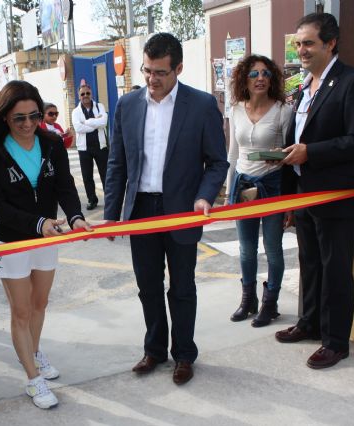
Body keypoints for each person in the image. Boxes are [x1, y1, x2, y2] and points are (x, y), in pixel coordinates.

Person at [104, 33, 228, 385]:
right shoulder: (127, 106)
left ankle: (184, 354)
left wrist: (205, 196)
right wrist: (112, 214)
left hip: (183, 210)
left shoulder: (201, 105)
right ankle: (154, 350)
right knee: (148, 285)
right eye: (147, 70)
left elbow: (217, 162)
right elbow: (117, 164)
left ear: (179, 69)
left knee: (183, 286)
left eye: (160, 72)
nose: (151, 79)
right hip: (141, 209)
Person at [0, 80, 91, 409]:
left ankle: (34, 352)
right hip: (11, 239)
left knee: (39, 304)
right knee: (21, 311)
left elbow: (66, 186)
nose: (28, 125)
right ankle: (32, 378)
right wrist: (37, 223)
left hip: (46, 235)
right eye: (19, 119)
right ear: (4, 118)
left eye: (34, 116)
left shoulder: (52, 142)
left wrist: (76, 217)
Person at [275, 13, 354, 369]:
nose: (301, 50)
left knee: (336, 268)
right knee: (311, 264)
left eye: (308, 43)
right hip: (304, 191)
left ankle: (335, 342)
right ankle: (310, 323)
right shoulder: (303, 86)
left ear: (331, 43)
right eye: (298, 44)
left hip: (337, 195)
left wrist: (311, 152)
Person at [224, 55, 292, 327]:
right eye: (254, 74)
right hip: (244, 184)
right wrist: (229, 192)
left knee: (273, 248)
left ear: (272, 79)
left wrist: (282, 157)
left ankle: (270, 303)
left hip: (273, 184)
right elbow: (232, 153)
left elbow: (291, 155)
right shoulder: (236, 109)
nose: (261, 78)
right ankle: (248, 299)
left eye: (266, 73)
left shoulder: (283, 110)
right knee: (246, 249)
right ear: (244, 79)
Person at [71, 83, 109, 210]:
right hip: (84, 148)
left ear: (91, 93)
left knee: (105, 174)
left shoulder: (100, 106)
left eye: (87, 93)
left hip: (100, 146)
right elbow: (78, 128)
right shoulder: (75, 112)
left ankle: (109, 198)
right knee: (87, 176)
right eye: (82, 94)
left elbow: (103, 123)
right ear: (79, 96)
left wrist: (87, 122)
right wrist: (95, 123)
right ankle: (92, 199)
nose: (85, 96)